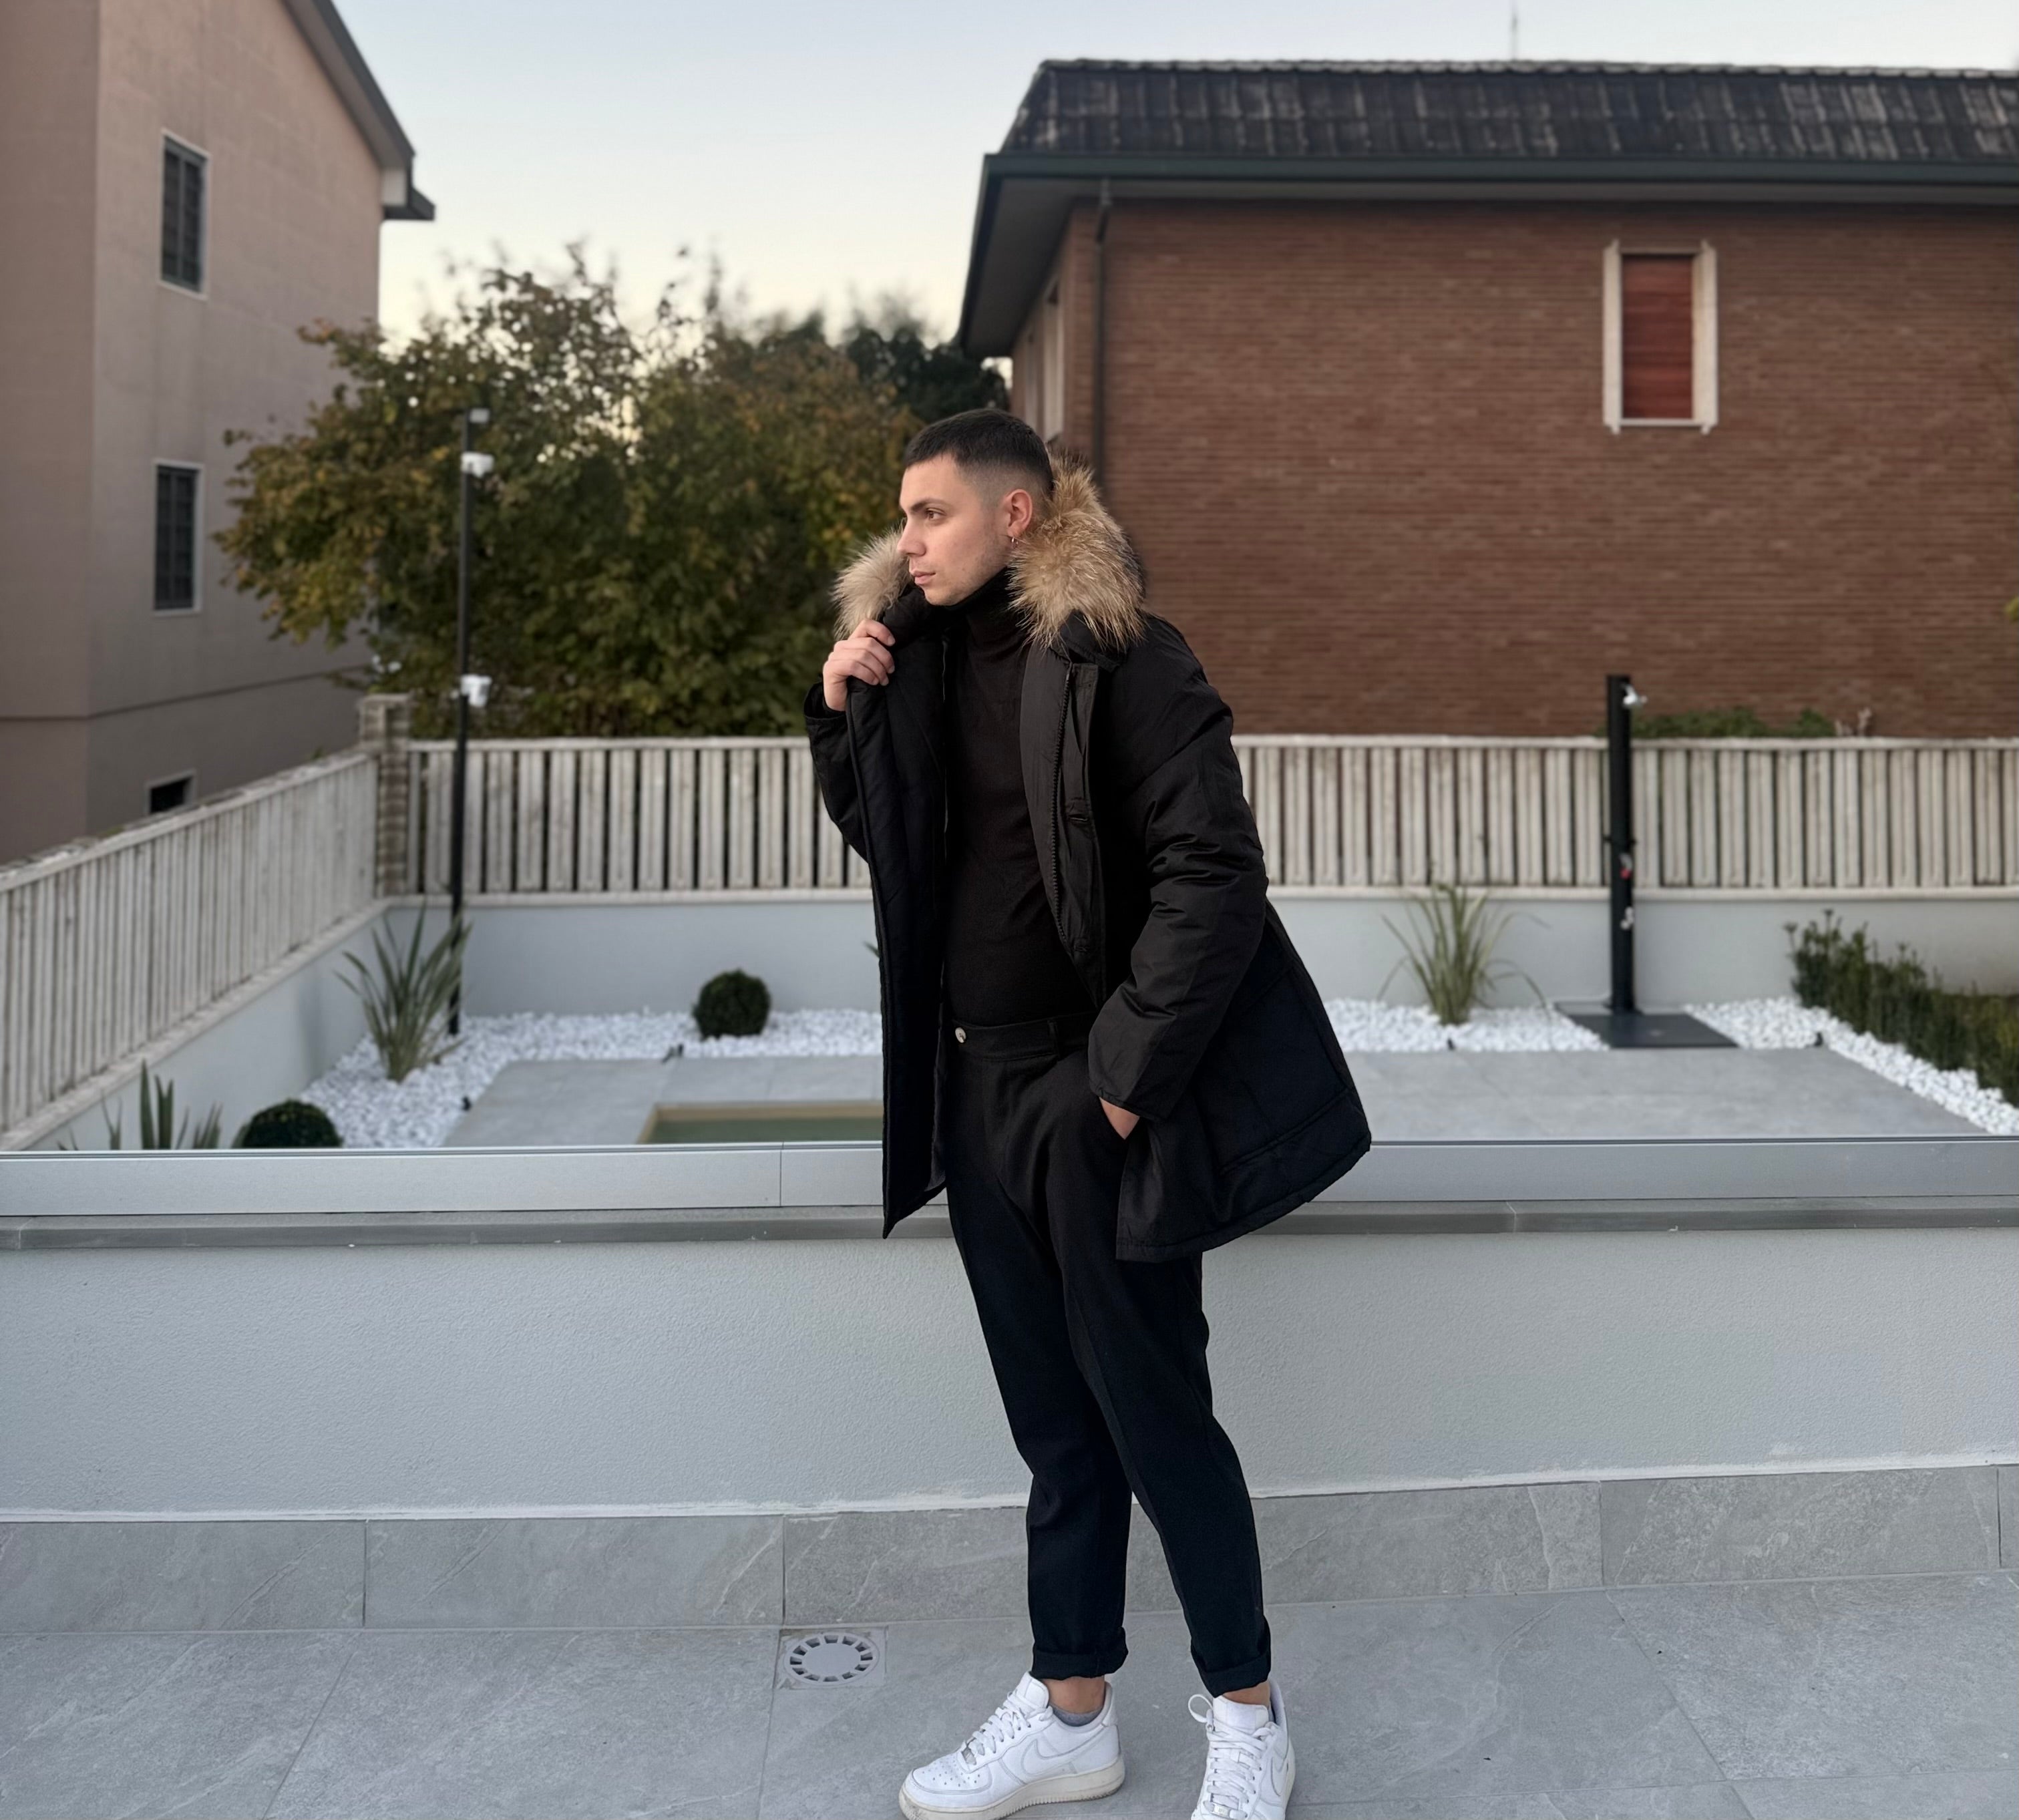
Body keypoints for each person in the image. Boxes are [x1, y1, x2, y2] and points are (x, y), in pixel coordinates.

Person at [803, 408, 1370, 1820]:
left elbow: (1213, 876)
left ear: (1014, 514)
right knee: (1055, 1429)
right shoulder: (918, 659)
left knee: (1157, 1416)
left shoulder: (1121, 656)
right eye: (902, 514)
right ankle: (1071, 1712)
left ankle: (1250, 1714)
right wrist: (839, 713)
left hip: (1093, 1096)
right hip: (975, 1088)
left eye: (930, 512)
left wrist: (1115, 1088)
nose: (906, 540)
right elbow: (903, 850)